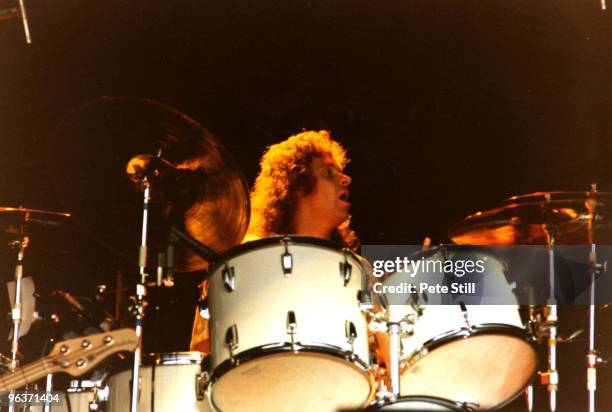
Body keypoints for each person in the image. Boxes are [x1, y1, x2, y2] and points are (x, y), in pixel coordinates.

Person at [190, 129, 357, 352]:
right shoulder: (244, 259)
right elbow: (203, 349)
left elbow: (384, 357)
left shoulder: (354, 270)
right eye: (328, 173)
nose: (346, 179)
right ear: (297, 183)